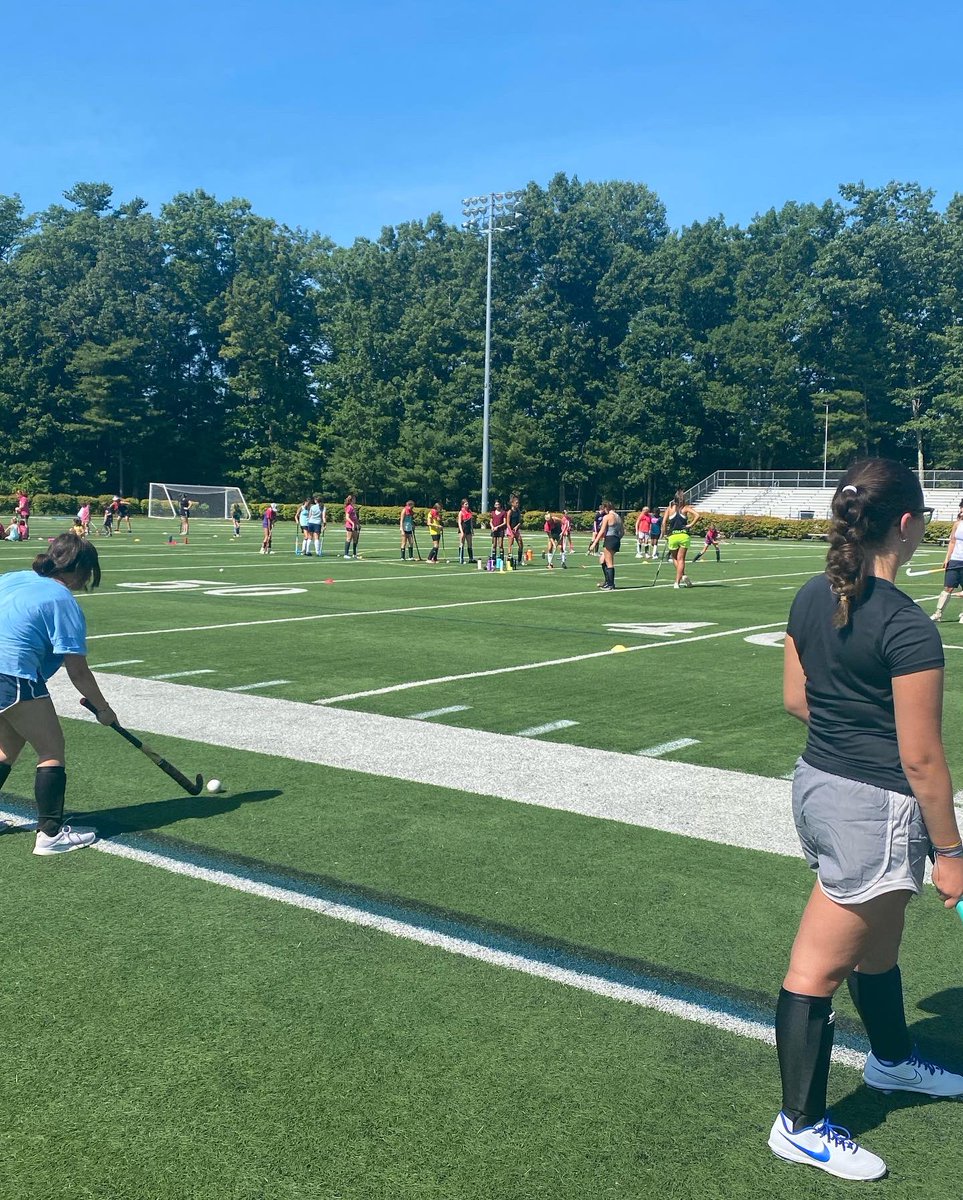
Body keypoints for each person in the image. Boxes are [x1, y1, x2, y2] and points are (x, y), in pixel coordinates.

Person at [772, 459, 963, 1182]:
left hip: (818, 784)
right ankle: (799, 1124)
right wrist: (949, 852)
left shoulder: (807, 596)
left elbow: (796, 700)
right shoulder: (906, 626)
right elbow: (921, 759)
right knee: (815, 968)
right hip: (870, 805)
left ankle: (890, 1062)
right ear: (907, 525)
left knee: (877, 944)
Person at [0, 533, 117, 855]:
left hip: (5, 672)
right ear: (80, 568)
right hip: (11, 675)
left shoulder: (13, 578)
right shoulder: (62, 600)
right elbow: (77, 670)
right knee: (51, 749)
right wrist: (103, 709)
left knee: (7, 748)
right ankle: (50, 835)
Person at [931, 498, 963, 622]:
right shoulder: (957, 524)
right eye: (961, 508)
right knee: (948, 587)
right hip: (955, 560)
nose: (961, 511)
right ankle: (938, 613)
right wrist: (947, 558)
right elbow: (952, 541)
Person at [663, 489, 700, 589]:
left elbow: (664, 522)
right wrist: (690, 525)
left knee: (675, 558)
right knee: (681, 560)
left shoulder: (669, 508)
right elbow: (697, 515)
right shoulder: (685, 508)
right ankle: (679, 580)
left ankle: (681, 577)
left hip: (673, 536)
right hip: (684, 536)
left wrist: (664, 534)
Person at [588, 501, 622, 589]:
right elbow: (622, 532)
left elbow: (602, 531)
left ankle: (611, 584)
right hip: (616, 539)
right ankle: (607, 581)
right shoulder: (618, 517)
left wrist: (594, 543)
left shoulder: (607, 517)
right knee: (602, 560)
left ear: (606, 508)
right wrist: (617, 539)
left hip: (609, 539)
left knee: (609, 562)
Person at [507, 496, 524, 566]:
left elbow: (520, 521)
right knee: (510, 545)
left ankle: (519, 560)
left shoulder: (518, 511)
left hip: (516, 530)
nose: (517, 504)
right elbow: (507, 523)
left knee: (521, 544)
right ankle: (509, 559)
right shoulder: (510, 512)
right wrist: (511, 532)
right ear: (512, 503)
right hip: (510, 530)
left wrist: (517, 526)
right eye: (516, 503)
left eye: (518, 503)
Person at [457, 500, 475, 565]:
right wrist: (461, 532)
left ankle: (471, 558)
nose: (467, 505)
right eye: (465, 504)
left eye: (467, 504)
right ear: (462, 505)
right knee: (462, 544)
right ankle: (461, 558)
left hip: (468, 529)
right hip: (463, 528)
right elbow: (459, 522)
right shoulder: (461, 512)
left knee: (470, 544)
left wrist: (472, 530)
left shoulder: (469, 512)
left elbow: (471, 522)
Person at [344, 495, 360, 559]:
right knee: (349, 539)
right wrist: (352, 523)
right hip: (349, 525)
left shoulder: (353, 507)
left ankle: (354, 554)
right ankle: (346, 554)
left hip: (355, 525)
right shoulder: (349, 507)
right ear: (351, 500)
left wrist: (358, 524)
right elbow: (347, 517)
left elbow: (355, 517)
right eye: (354, 499)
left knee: (355, 539)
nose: (355, 500)